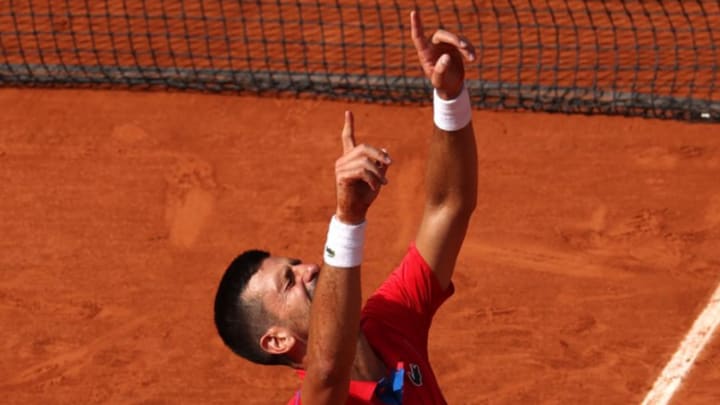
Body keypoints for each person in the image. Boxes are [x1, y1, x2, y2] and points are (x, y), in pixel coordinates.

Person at [214, 10, 477, 404]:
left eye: (297, 263)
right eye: (290, 281)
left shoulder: (389, 320)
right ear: (278, 340)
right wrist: (347, 220)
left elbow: (449, 205)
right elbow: (328, 366)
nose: (310, 268)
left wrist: (449, 97)